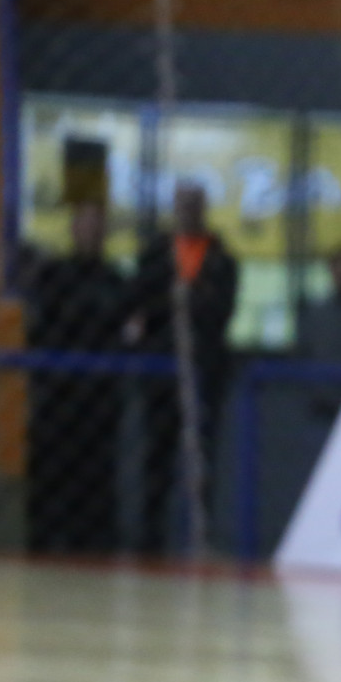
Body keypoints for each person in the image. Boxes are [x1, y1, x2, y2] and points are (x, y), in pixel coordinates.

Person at [128, 181, 238, 555]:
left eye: (195, 202)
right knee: (157, 455)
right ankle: (150, 540)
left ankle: (201, 535)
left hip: (204, 372)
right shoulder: (156, 254)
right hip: (162, 373)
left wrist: (191, 299)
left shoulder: (221, 258)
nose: (189, 209)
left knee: (203, 458)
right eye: (182, 203)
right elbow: (142, 300)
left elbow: (220, 311)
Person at [26, 201, 129, 553]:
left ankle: (94, 546)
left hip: (98, 401)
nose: (91, 232)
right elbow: (41, 330)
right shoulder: (53, 275)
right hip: (57, 398)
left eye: (97, 226)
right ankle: (47, 541)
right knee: (52, 476)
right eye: (85, 224)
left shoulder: (115, 280)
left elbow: (122, 331)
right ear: (73, 230)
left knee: (96, 479)